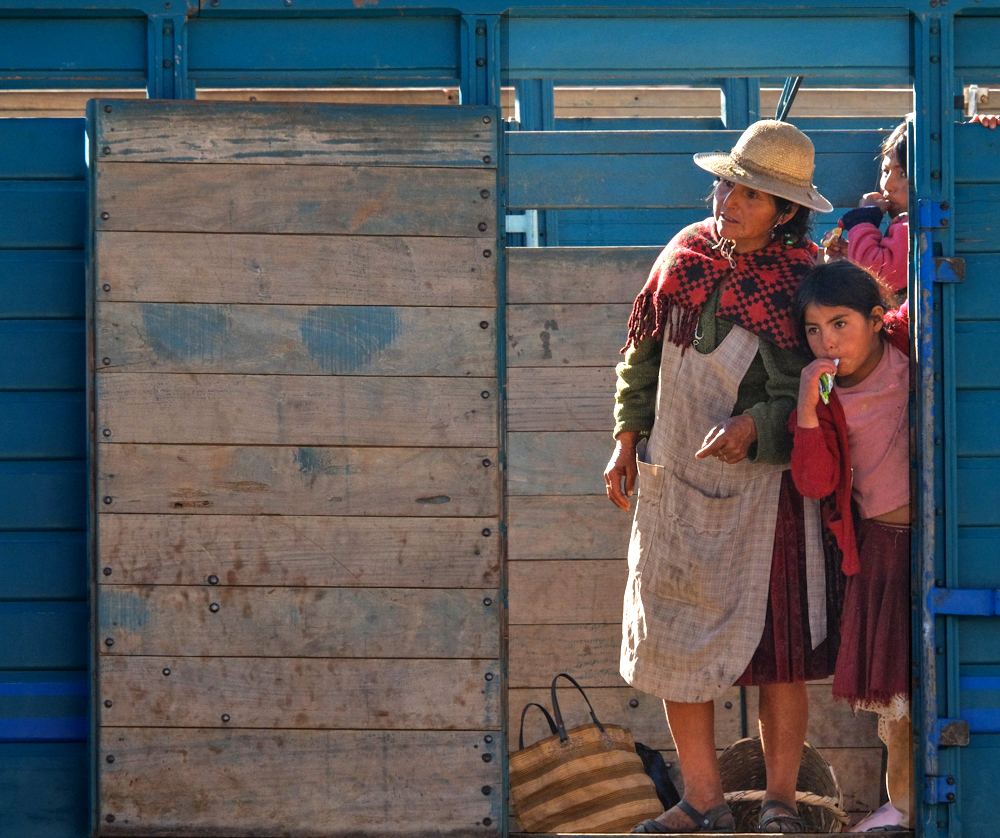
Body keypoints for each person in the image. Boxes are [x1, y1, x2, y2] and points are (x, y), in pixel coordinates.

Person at [604, 120, 837, 834]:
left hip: (767, 499)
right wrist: (624, 439)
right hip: (676, 482)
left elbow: (820, 389)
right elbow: (640, 356)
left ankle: (779, 805)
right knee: (676, 647)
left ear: (785, 211)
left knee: (778, 661)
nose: (727, 199)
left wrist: (756, 429)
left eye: (749, 192)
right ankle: (701, 801)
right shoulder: (684, 256)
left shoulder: (808, 286)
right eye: (726, 183)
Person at [788, 261, 912, 832]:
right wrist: (808, 412)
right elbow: (814, 483)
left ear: (877, 320)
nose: (827, 341)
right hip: (884, 548)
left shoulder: (911, 348)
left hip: (940, 540)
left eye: (840, 324)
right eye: (814, 330)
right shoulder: (826, 396)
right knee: (899, 691)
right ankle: (903, 805)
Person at [822, 119, 909, 297]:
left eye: (903, 174)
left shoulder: (912, 225)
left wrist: (863, 218)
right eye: (885, 172)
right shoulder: (902, 222)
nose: (887, 185)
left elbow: (880, 276)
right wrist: (851, 254)